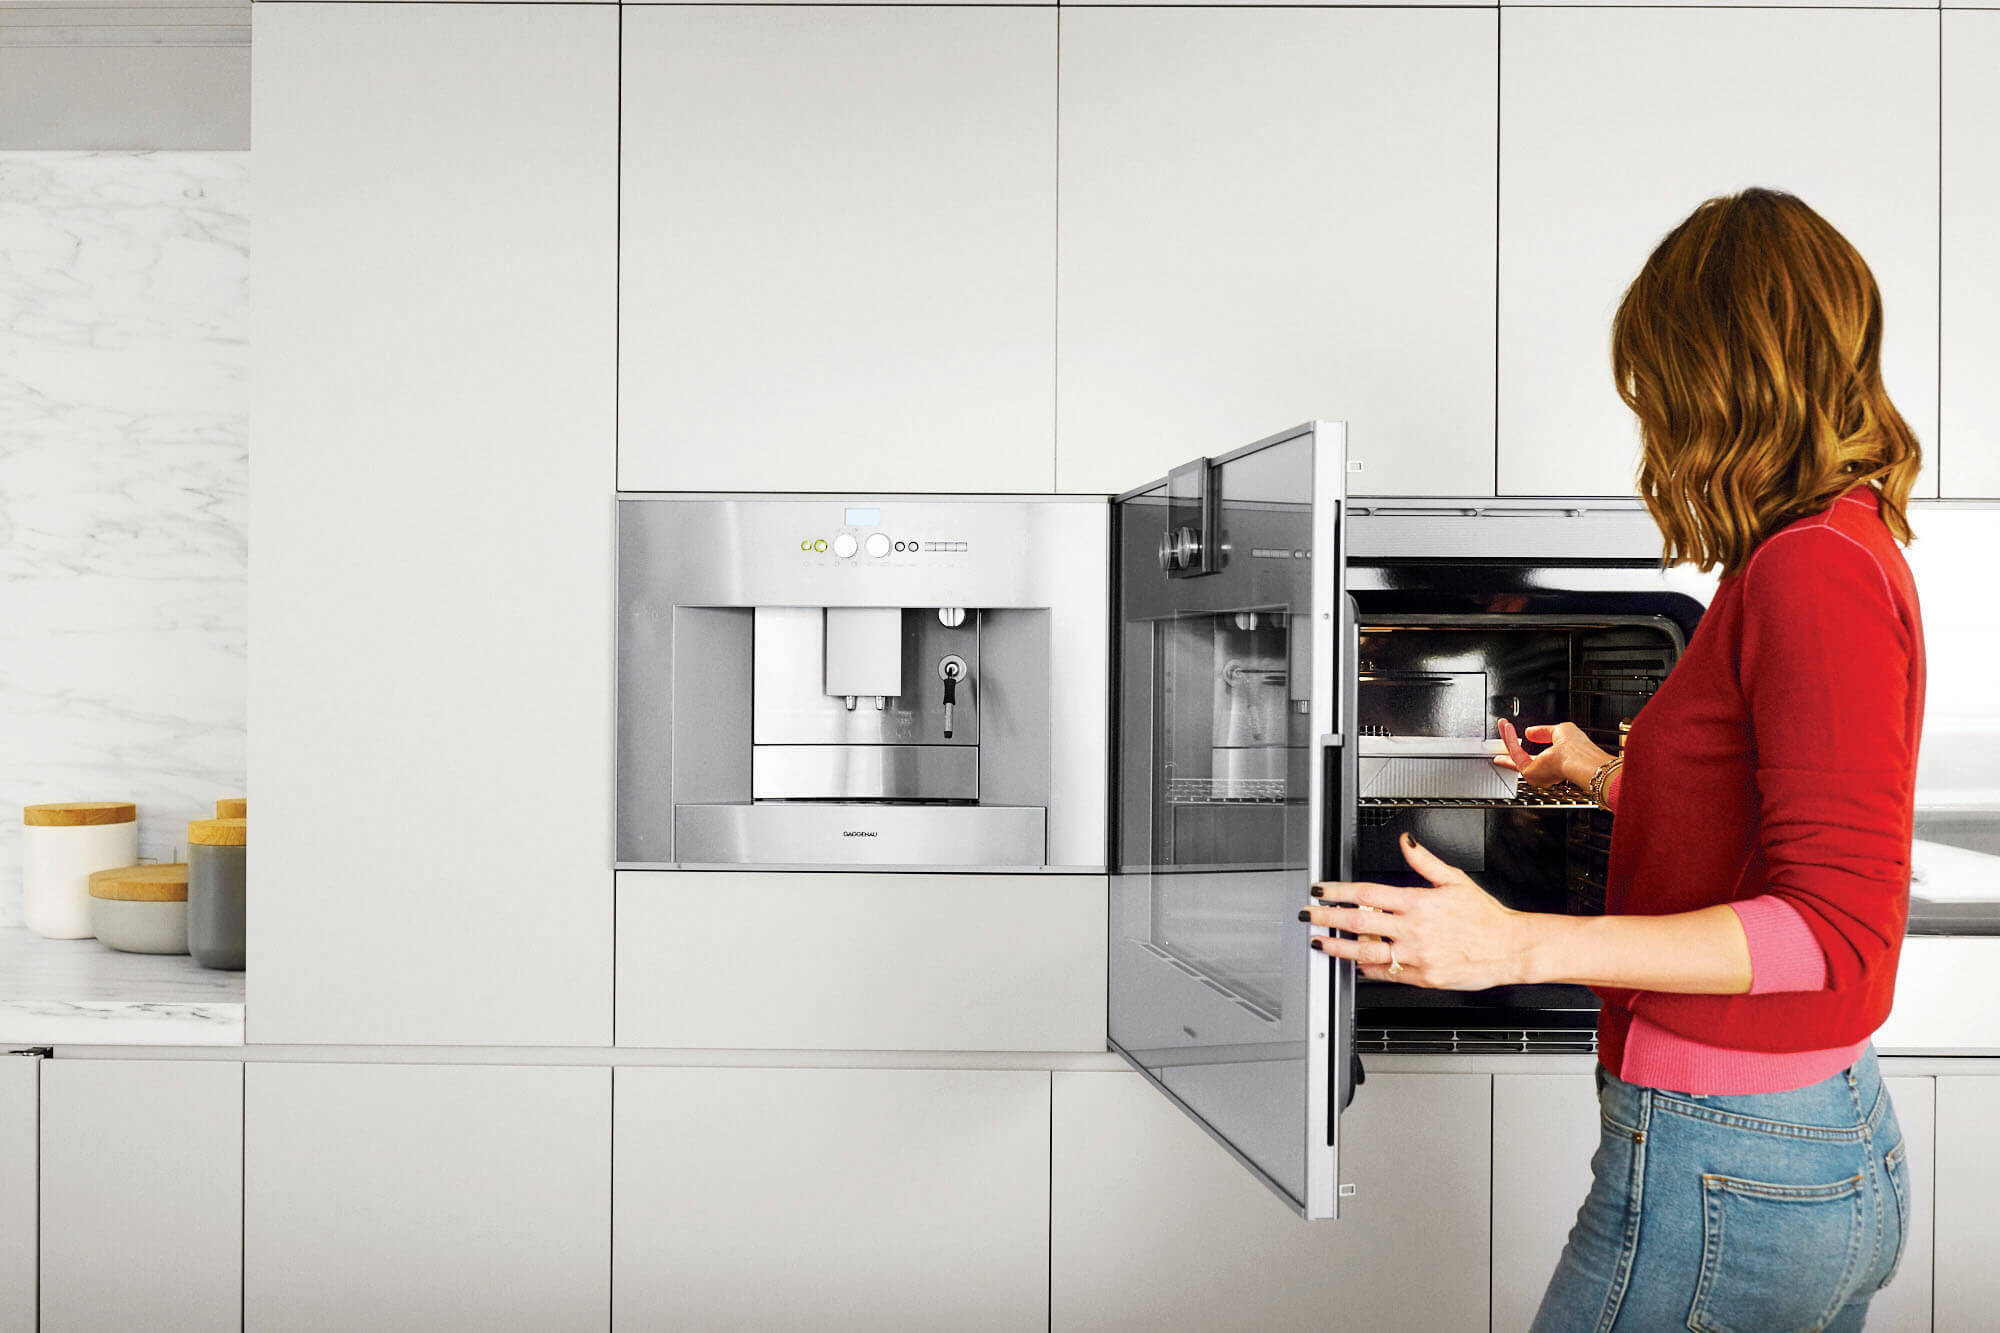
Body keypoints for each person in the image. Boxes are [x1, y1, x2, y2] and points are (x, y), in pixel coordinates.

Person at [1303, 188, 1925, 1332]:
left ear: (1716, 377)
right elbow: (1758, 823)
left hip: (1732, 1164)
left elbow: (1829, 927)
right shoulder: (1821, 549)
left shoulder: (1809, 572)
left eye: (1655, 388)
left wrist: (1510, 941)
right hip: (1782, 1148)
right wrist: (1593, 771)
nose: (1649, 424)